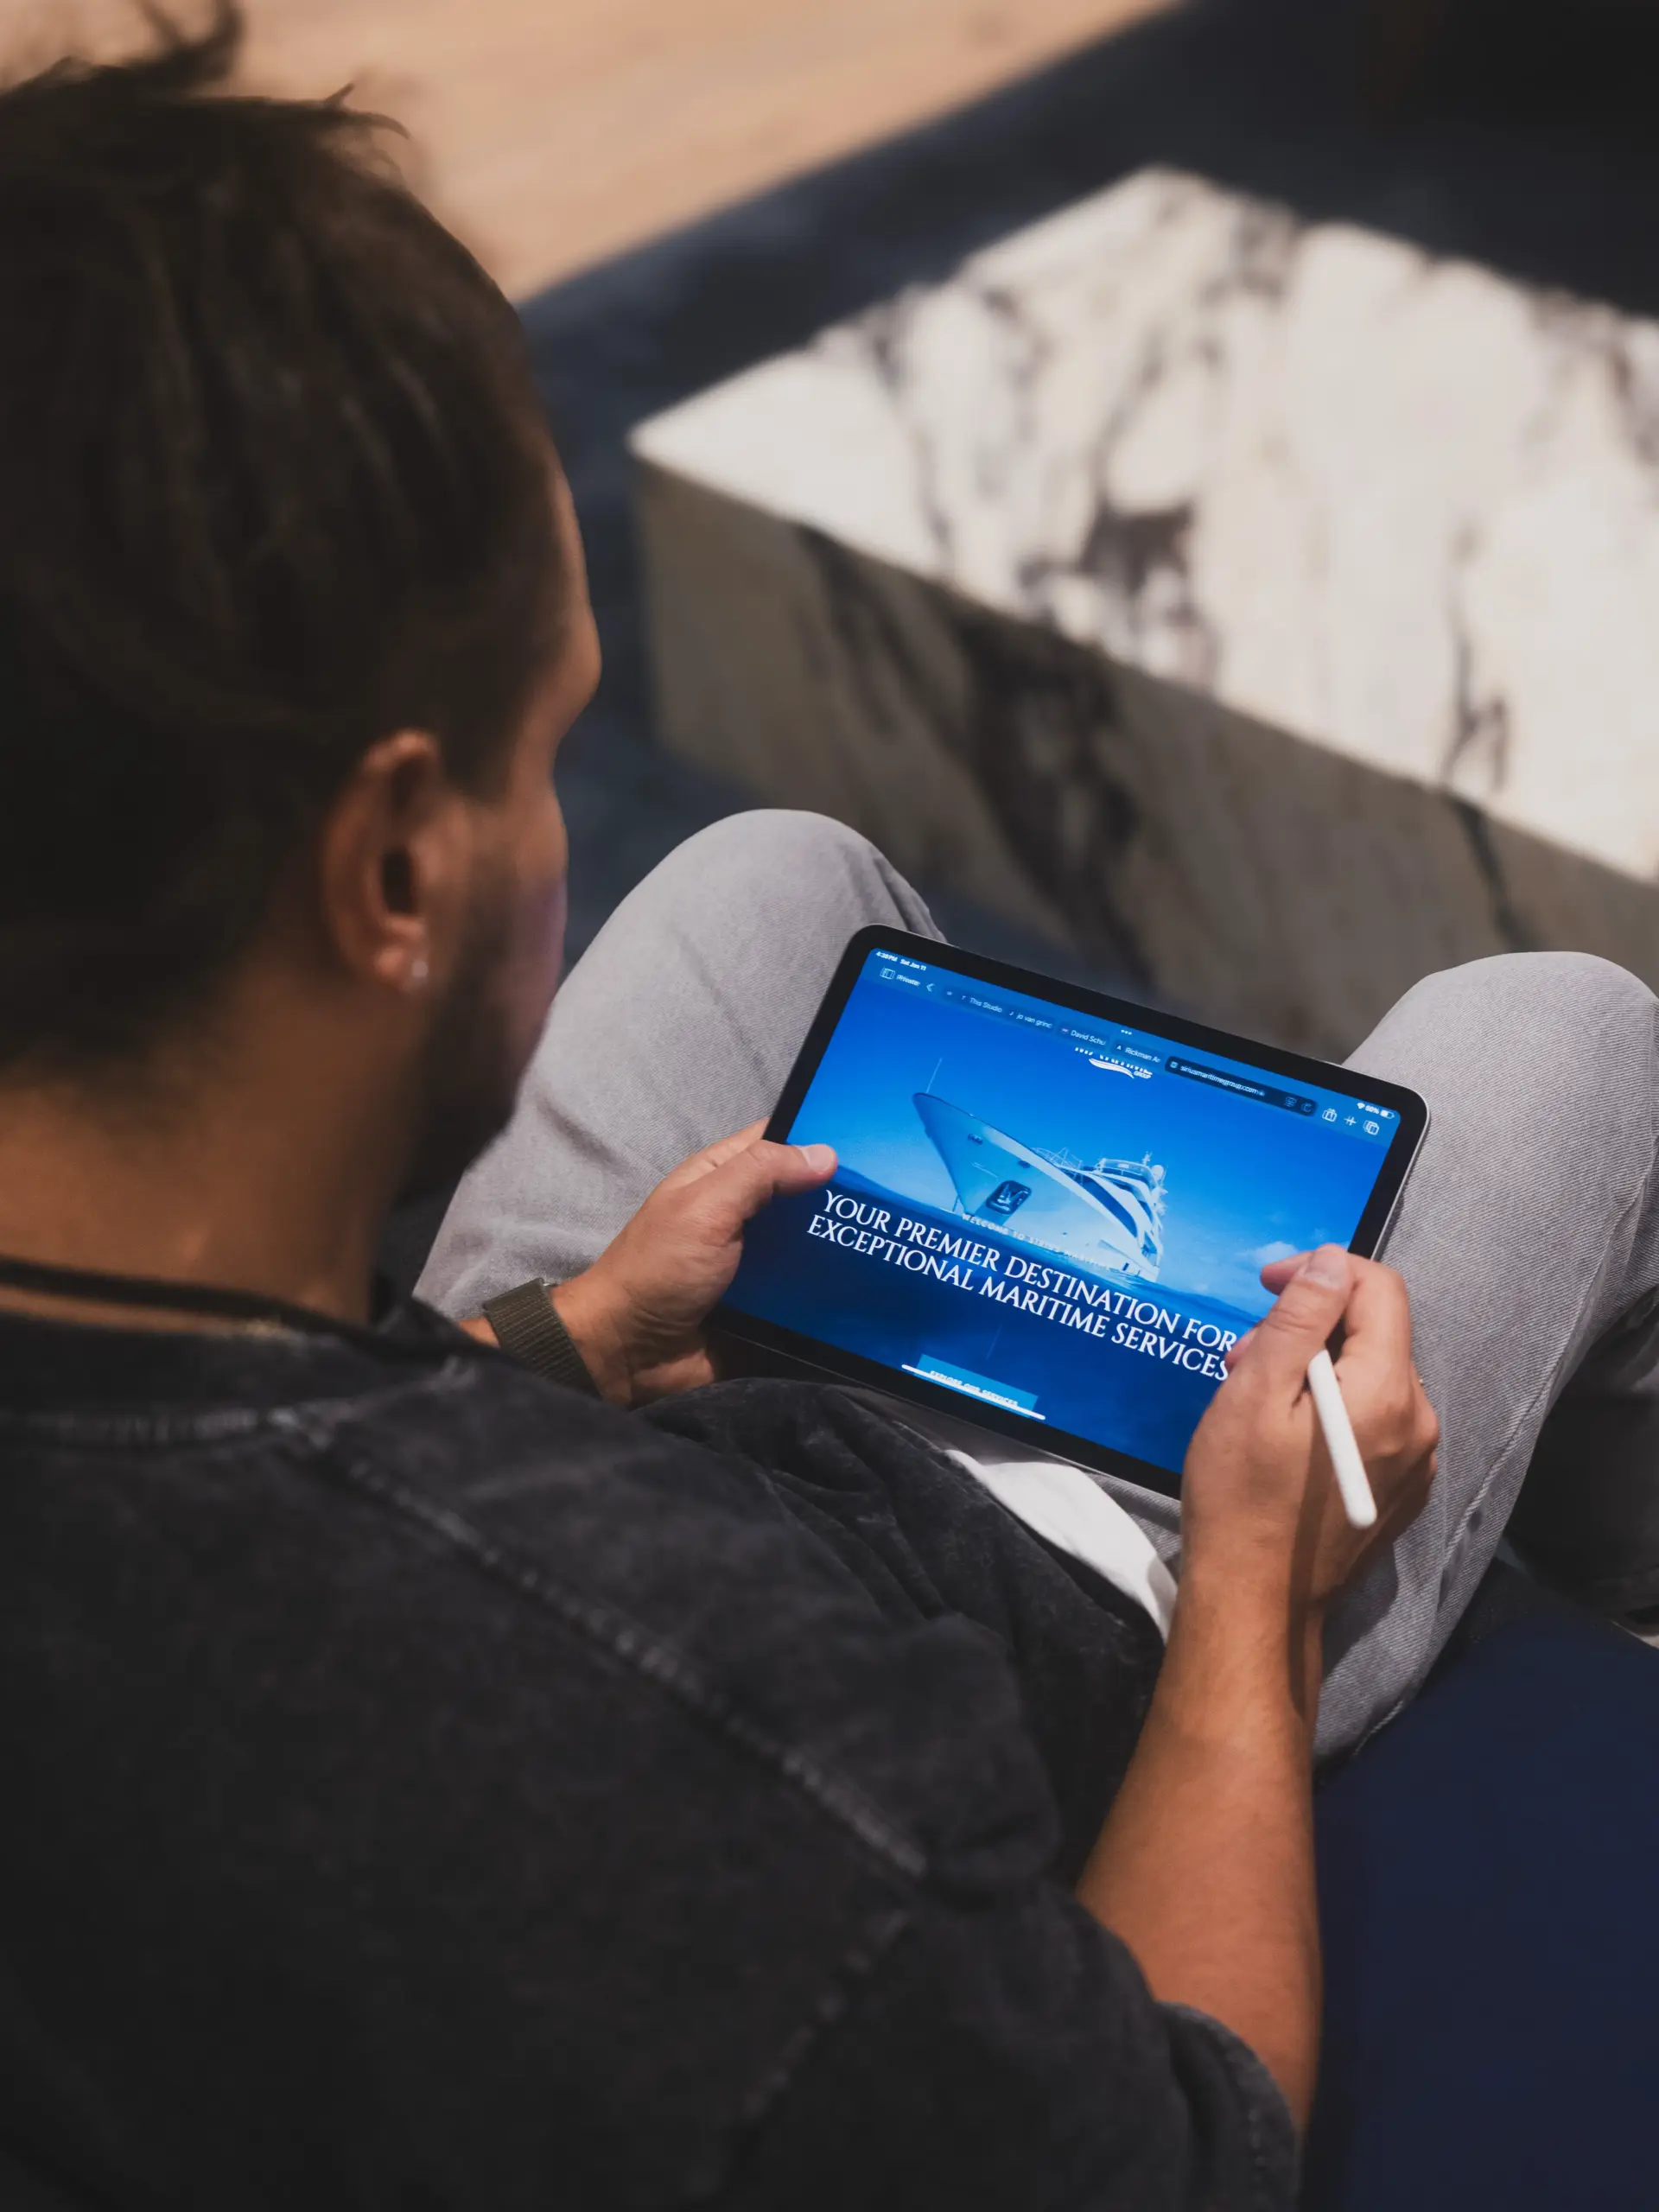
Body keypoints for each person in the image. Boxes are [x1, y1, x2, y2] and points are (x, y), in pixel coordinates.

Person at [0, 10, 1656, 2208]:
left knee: (771, 873)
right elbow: (1184, 2146)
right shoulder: (697, 1736)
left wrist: (566, 1335)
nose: (559, 824)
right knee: (1570, 1030)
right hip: (988, 1611)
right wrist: (1254, 1584)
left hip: (596, 1443)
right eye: (543, 751)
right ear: (393, 870)